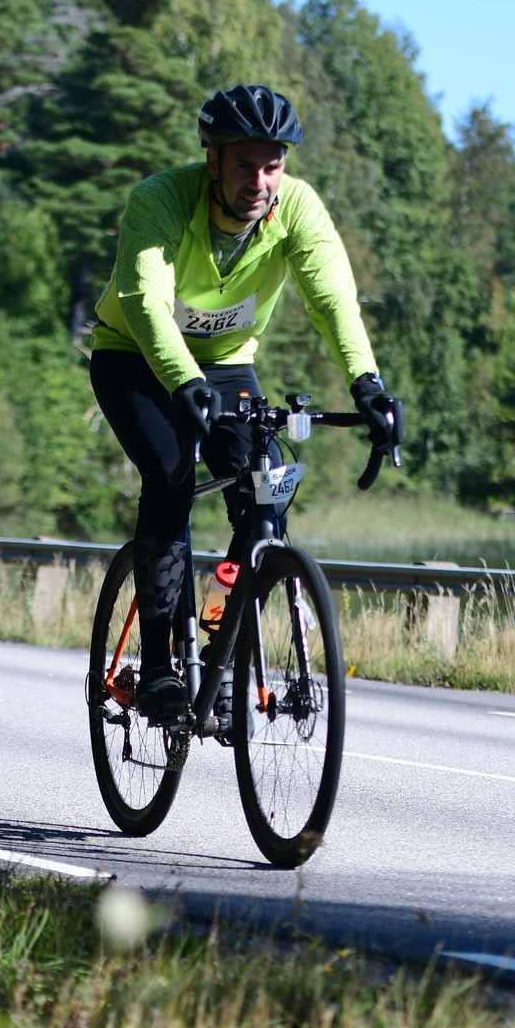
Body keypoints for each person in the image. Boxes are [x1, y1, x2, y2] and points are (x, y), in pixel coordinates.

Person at [90, 83, 404, 720]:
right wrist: (182, 381)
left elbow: (332, 301)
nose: (258, 181)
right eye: (243, 165)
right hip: (135, 356)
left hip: (227, 364)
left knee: (268, 493)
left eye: (272, 165)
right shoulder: (160, 198)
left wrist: (368, 385)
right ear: (212, 160)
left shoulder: (298, 208)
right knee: (171, 478)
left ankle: (224, 651)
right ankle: (159, 670)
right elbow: (145, 303)